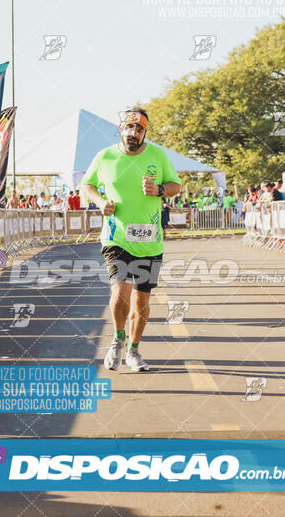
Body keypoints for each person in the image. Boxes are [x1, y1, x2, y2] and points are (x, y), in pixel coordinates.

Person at [81, 107, 181, 372]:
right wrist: (101, 202)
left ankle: (134, 350)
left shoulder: (158, 155)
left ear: (145, 131)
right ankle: (117, 340)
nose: (133, 133)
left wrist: (159, 189)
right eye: (129, 128)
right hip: (116, 238)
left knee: (141, 301)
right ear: (121, 129)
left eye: (139, 129)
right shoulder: (105, 156)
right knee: (121, 290)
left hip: (150, 241)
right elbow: (87, 184)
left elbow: (176, 185)